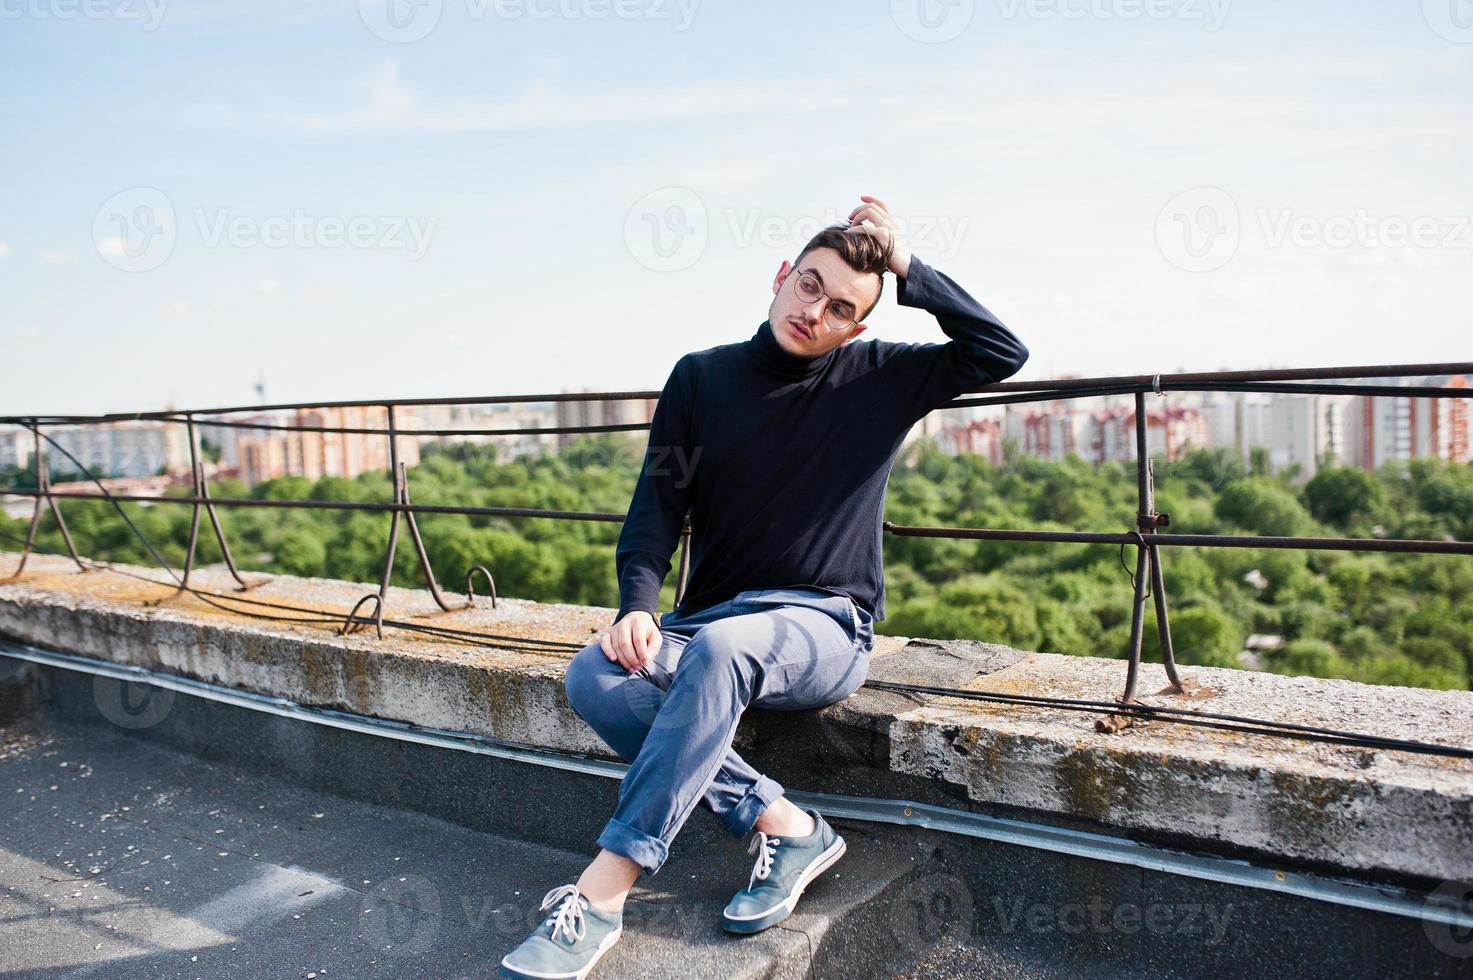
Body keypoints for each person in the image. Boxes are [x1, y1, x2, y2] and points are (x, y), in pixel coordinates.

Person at [499, 195, 1029, 979]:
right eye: (809, 286)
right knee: (596, 676)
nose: (816, 311)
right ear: (781, 276)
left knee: (718, 649)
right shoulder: (701, 379)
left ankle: (603, 894)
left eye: (842, 307)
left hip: (823, 625)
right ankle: (784, 823)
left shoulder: (881, 375)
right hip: (712, 621)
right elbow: (656, 511)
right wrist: (636, 607)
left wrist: (906, 262)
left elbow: (999, 350)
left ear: (857, 326)